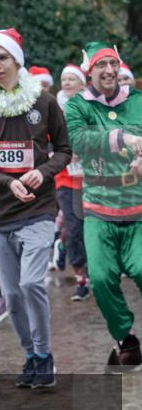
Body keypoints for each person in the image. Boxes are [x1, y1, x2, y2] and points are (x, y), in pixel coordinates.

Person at [0, 28, 70, 390]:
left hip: (39, 209)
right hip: (0, 215)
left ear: (16, 61)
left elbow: (64, 151)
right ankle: (30, 356)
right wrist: (7, 181)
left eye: (2, 58)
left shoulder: (44, 102)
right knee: (10, 294)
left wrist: (42, 172)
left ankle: (45, 354)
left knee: (31, 283)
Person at [63, 42, 142, 370]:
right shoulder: (77, 106)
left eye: (112, 63)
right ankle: (125, 337)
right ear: (89, 72)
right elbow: (78, 141)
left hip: (137, 207)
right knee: (101, 277)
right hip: (97, 208)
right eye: (101, 65)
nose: (108, 70)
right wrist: (121, 138)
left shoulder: (137, 102)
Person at [54, 64, 90, 301]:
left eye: (71, 79)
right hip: (66, 179)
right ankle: (81, 279)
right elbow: (46, 140)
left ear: (83, 84)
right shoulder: (54, 110)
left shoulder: (92, 108)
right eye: (63, 79)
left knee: (92, 228)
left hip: (92, 179)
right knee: (74, 228)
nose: (66, 83)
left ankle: (97, 272)